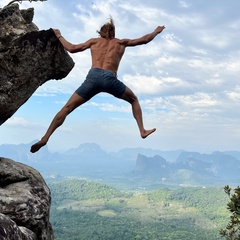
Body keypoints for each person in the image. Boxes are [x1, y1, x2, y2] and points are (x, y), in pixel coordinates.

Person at [30, 18, 165, 153]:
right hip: (110, 78)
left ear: (100, 33)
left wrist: (58, 35)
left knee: (67, 108)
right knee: (134, 100)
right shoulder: (121, 42)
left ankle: (45, 137)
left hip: (93, 78)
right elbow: (145, 39)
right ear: (113, 33)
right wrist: (156, 31)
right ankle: (142, 130)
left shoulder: (93, 41)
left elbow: (71, 48)